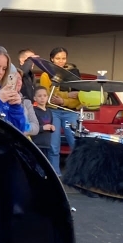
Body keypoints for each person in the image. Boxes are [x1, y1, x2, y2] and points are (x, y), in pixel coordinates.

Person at [46, 47, 81, 175]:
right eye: (58, 58)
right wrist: (67, 95)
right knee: (54, 145)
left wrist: (63, 101)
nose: (61, 61)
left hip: (70, 111)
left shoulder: (73, 74)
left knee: (75, 144)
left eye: (63, 58)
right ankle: (55, 174)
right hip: (53, 111)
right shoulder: (46, 74)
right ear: (52, 59)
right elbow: (49, 95)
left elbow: (78, 98)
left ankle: (77, 174)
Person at [31, 86, 55, 161]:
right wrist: (43, 128)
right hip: (36, 144)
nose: (42, 98)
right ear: (35, 98)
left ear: (47, 97)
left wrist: (52, 128)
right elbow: (31, 128)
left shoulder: (49, 111)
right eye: (39, 96)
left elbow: (50, 124)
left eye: (44, 96)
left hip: (46, 145)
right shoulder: (33, 111)